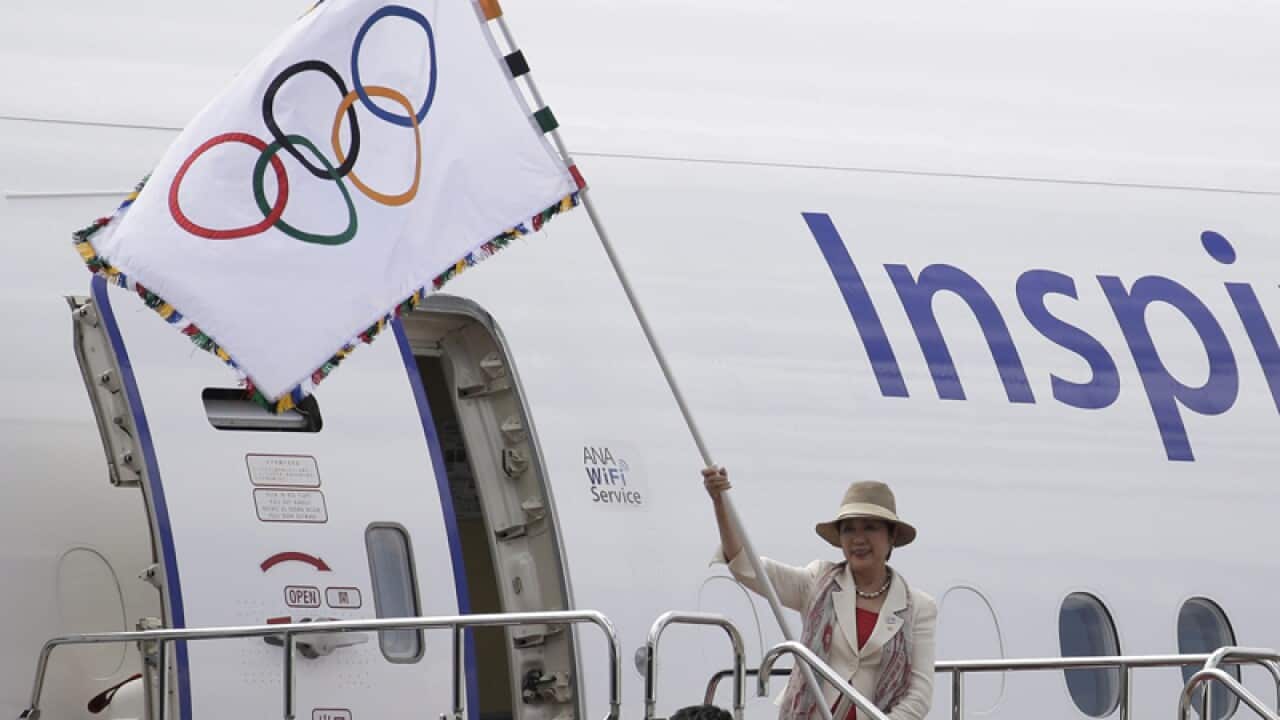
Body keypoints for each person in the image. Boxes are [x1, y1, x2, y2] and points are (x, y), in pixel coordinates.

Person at [704, 467, 936, 720]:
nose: (858, 539)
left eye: (869, 527)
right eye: (848, 529)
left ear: (891, 536)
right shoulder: (818, 581)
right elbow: (747, 567)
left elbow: (919, 696)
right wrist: (720, 503)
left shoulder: (919, 607)